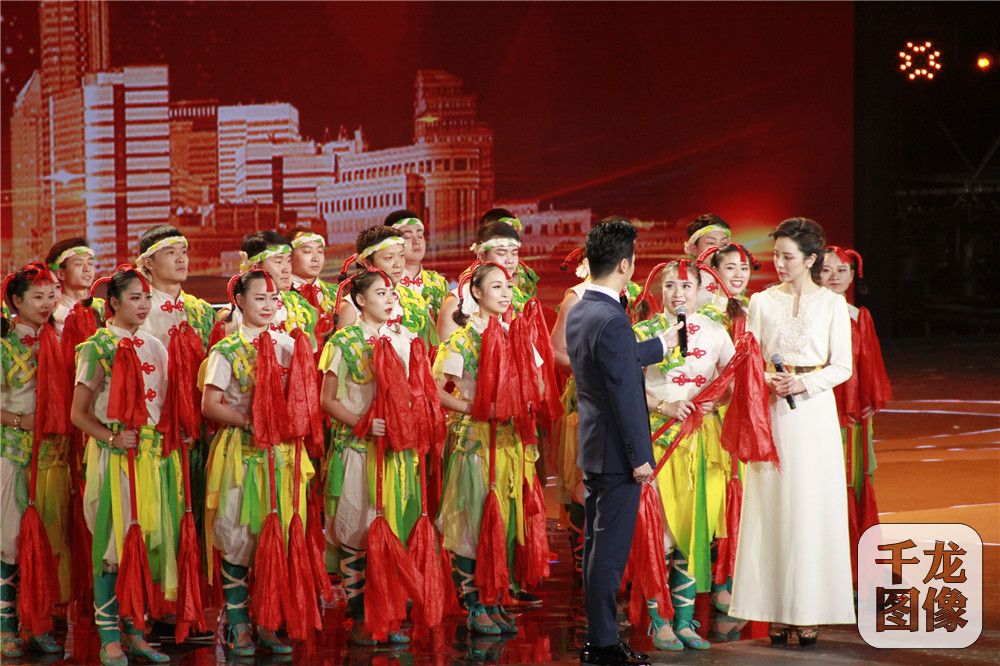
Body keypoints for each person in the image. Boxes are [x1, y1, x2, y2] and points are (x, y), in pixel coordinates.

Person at [729, 218, 855, 647]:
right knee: (773, 507)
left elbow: (842, 365)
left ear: (810, 258)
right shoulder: (762, 301)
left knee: (811, 508)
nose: (779, 263)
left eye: (787, 256)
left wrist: (803, 383)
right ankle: (776, 611)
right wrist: (769, 380)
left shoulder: (832, 304)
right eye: (777, 256)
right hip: (773, 413)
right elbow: (749, 358)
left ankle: (809, 610)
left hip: (814, 414)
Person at [565, 218, 678, 666]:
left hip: (595, 447)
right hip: (617, 454)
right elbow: (625, 393)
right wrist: (640, 458)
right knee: (608, 556)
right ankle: (603, 643)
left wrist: (658, 346)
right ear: (625, 266)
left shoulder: (582, 309)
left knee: (598, 549)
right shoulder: (612, 319)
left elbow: (613, 361)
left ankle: (600, 638)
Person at [201, 270, 312, 658]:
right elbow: (210, 404)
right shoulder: (226, 351)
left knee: (275, 538)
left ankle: (267, 621)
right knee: (238, 539)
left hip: (281, 457)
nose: (268, 305)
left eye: (273, 298)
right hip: (241, 455)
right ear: (239, 302)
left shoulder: (290, 346)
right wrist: (248, 420)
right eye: (259, 298)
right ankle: (238, 624)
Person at [433, 262, 545, 636]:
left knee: (506, 523)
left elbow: (537, 383)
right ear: (477, 293)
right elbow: (438, 391)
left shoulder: (519, 336)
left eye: (508, 287)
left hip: (511, 444)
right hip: (476, 445)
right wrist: (478, 407)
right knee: (472, 524)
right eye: (496, 287)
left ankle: (495, 598)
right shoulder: (461, 341)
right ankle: (474, 604)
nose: (505, 293)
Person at [70, 265, 172, 666]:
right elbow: (78, 413)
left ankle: (137, 632)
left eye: (146, 297)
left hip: (148, 459)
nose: (143, 305)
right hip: (111, 460)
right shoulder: (96, 347)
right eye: (134, 298)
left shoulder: (155, 346)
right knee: (109, 547)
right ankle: (109, 638)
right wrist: (112, 438)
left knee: (140, 545)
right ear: (113, 302)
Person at [632, 260, 735, 651]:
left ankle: (686, 620)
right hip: (659, 441)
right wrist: (664, 406)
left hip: (701, 444)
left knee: (694, 533)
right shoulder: (644, 333)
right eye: (670, 286)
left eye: (686, 286)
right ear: (659, 290)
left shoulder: (716, 331)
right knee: (660, 534)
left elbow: (731, 381)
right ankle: (659, 620)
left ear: (700, 290)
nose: (678, 294)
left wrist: (717, 399)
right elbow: (627, 385)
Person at [319, 269, 419, 645]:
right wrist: (363, 422)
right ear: (360, 300)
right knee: (356, 530)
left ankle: (387, 610)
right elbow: (327, 400)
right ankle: (359, 611)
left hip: (394, 454)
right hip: (357, 450)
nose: (390, 298)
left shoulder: (405, 339)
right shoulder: (343, 343)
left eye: (392, 292)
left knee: (391, 527)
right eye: (380, 293)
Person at [0, 263, 65, 658]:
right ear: (16, 300)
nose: (46, 303)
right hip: (12, 452)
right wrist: (19, 420)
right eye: (37, 297)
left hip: (51, 456)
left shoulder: (59, 340)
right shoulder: (4, 345)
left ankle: (37, 623)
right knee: (10, 541)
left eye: (50, 295)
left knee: (47, 540)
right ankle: (6, 626)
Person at [819, 246, 891, 560]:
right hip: (817, 407)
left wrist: (870, 399)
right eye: (826, 270)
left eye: (842, 270)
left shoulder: (859, 317)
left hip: (851, 414)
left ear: (852, 276)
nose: (835, 277)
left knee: (852, 477)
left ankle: (854, 558)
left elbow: (870, 364)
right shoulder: (806, 315)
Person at [335, 226, 437, 345]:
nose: (398, 264)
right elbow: (347, 351)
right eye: (389, 258)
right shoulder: (350, 307)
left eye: (401, 255)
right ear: (367, 263)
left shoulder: (413, 298)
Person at [437, 219, 529, 341]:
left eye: (514, 253)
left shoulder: (515, 296)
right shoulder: (456, 303)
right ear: (482, 256)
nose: (510, 260)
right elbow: (446, 351)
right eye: (501, 253)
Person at [221, 231, 319, 344]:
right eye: (278, 261)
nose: (286, 269)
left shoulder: (302, 310)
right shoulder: (231, 318)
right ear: (255, 267)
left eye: (288, 261)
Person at [384, 210, 449, 320]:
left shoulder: (439, 283)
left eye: (420, 235)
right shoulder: (385, 285)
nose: (416, 241)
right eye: (407, 237)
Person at [46, 239, 104, 334]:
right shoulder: (56, 314)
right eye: (78, 264)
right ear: (61, 273)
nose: (87, 269)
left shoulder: (102, 307)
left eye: (90, 263)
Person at [289, 228, 338, 327]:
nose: (316, 258)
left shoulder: (335, 293)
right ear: (289, 256)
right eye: (307, 251)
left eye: (320, 251)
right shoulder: (279, 294)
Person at [683, 214, 733, 309]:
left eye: (724, 244)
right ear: (693, 249)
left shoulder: (734, 278)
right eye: (711, 243)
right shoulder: (684, 281)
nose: (718, 249)